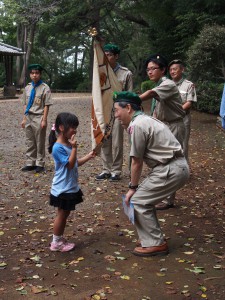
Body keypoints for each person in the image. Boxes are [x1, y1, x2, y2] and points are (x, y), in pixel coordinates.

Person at [113, 91, 189, 256]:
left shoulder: (138, 125)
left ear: (128, 108)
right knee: (143, 200)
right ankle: (150, 238)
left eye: (117, 110)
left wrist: (132, 187)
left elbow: (136, 161)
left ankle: (156, 243)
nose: (116, 115)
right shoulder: (143, 120)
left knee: (138, 201)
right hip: (175, 166)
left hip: (171, 168)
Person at [139, 54, 186, 210]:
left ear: (163, 69)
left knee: (172, 160)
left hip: (174, 126)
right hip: (165, 126)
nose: (150, 72)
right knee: (162, 159)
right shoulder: (159, 84)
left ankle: (168, 200)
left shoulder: (167, 84)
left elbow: (151, 94)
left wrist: (132, 99)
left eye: (153, 68)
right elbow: (156, 108)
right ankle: (164, 196)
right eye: (148, 69)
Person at [48, 112, 96, 252]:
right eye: (72, 127)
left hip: (69, 186)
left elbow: (75, 163)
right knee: (61, 215)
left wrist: (88, 156)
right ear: (62, 127)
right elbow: (69, 165)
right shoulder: (58, 147)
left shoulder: (68, 144)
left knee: (65, 214)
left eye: (76, 127)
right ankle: (56, 242)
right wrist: (74, 148)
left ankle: (59, 237)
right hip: (62, 188)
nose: (75, 130)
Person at [96, 43, 133, 182]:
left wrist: (128, 113)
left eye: (110, 55)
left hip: (119, 111)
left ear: (116, 56)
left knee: (117, 142)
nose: (107, 58)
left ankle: (116, 171)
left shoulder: (125, 73)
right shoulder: (101, 72)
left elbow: (130, 94)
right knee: (104, 140)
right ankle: (106, 169)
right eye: (105, 55)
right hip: (105, 111)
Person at [21, 63, 53, 173]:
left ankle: (40, 163)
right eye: (32, 73)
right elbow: (25, 103)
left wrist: (44, 119)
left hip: (39, 117)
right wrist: (24, 118)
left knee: (40, 141)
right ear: (30, 75)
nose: (34, 75)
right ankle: (30, 162)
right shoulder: (27, 88)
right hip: (29, 116)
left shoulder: (45, 88)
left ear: (40, 74)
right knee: (30, 141)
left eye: (37, 73)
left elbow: (46, 105)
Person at [168, 59, 197, 161]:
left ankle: (184, 169)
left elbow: (189, 102)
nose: (172, 72)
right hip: (169, 120)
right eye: (170, 69)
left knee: (183, 144)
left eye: (175, 69)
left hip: (183, 118)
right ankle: (172, 167)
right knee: (170, 144)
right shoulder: (168, 84)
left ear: (182, 70)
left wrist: (176, 111)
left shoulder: (189, 85)